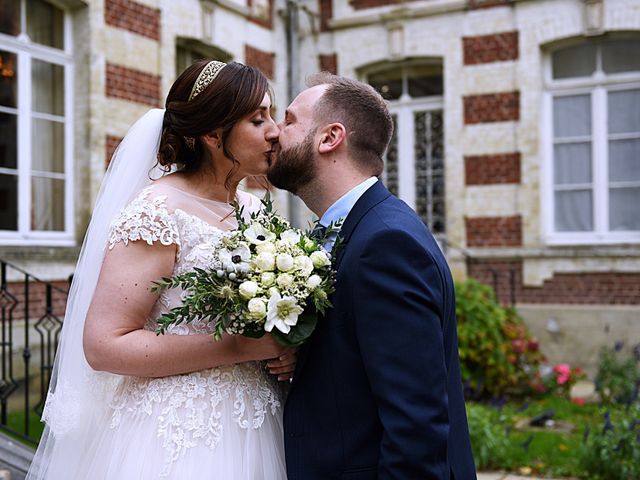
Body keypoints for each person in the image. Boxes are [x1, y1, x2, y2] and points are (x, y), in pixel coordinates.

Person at [27, 60, 295, 480]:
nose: (275, 130)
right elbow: (104, 345)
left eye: (272, 116)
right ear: (212, 134)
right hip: (178, 434)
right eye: (258, 119)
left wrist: (285, 346)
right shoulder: (158, 211)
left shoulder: (256, 211)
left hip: (263, 419)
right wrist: (240, 348)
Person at [267, 73, 477, 479]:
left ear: (330, 137)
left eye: (289, 120)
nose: (275, 132)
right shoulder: (354, 230)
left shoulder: (387, 243)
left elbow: (417, 428)